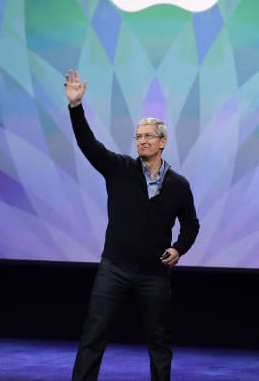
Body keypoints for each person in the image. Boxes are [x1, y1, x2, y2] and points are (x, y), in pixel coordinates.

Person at [64, 69, 200, 381]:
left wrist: (179, 249)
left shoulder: (178, 185)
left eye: (148, 136)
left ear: (163, 141)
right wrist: (75, 107)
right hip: (114, 268)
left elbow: (191, 224)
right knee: (93, 336)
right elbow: (88, 143)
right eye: (138, 136)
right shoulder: (119, 169)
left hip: (154, 274)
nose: (141, 141)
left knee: (159, 343)